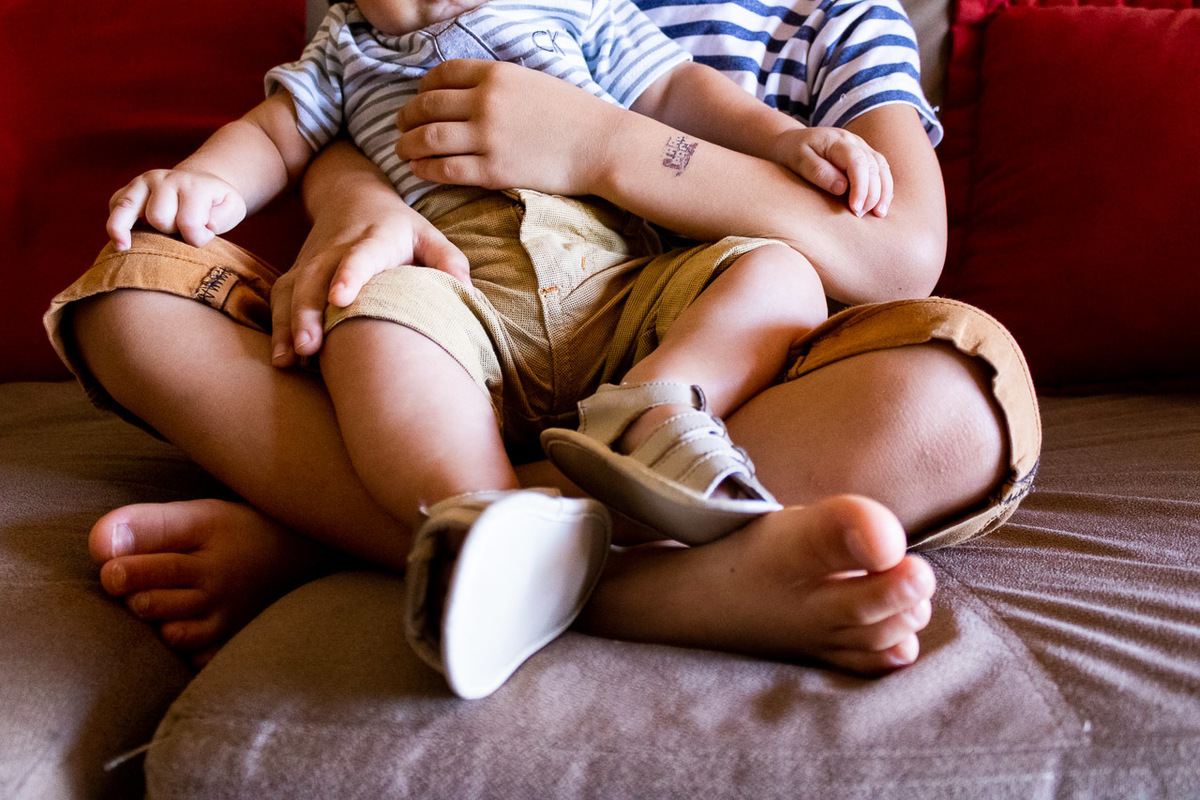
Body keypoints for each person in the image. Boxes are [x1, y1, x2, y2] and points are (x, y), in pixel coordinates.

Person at [44, 0, 1040, 696]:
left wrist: (603, 145)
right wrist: (357, 213)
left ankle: (371, 538)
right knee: (131, 299)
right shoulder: (357, 27)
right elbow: (321, 127)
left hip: (704, 379)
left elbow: (900, 252)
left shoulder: (828, 17)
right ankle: (637, 576)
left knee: (957, 397)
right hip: (455, 318)